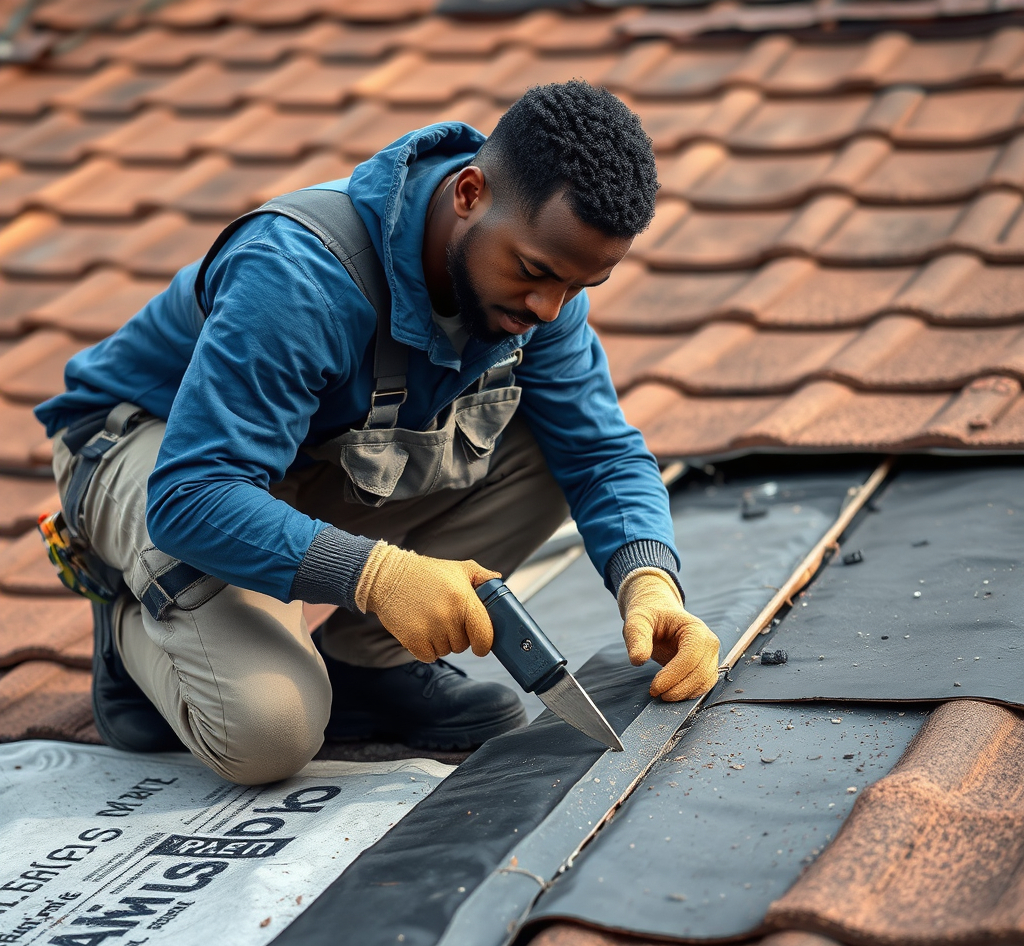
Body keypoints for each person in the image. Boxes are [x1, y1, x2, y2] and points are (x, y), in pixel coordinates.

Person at [35, 80, 720, 785]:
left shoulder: (542, 292)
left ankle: (368, 665)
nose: (549, 308)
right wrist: (378, 576)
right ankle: (130, 616)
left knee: (550, 449)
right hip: (151, 454)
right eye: (534, 274)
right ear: (469, 193)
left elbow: (602, 454)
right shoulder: (297, 275)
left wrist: (650, 582)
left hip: (285, 468)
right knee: (270, 732)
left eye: (580, 287)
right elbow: (194, 494)